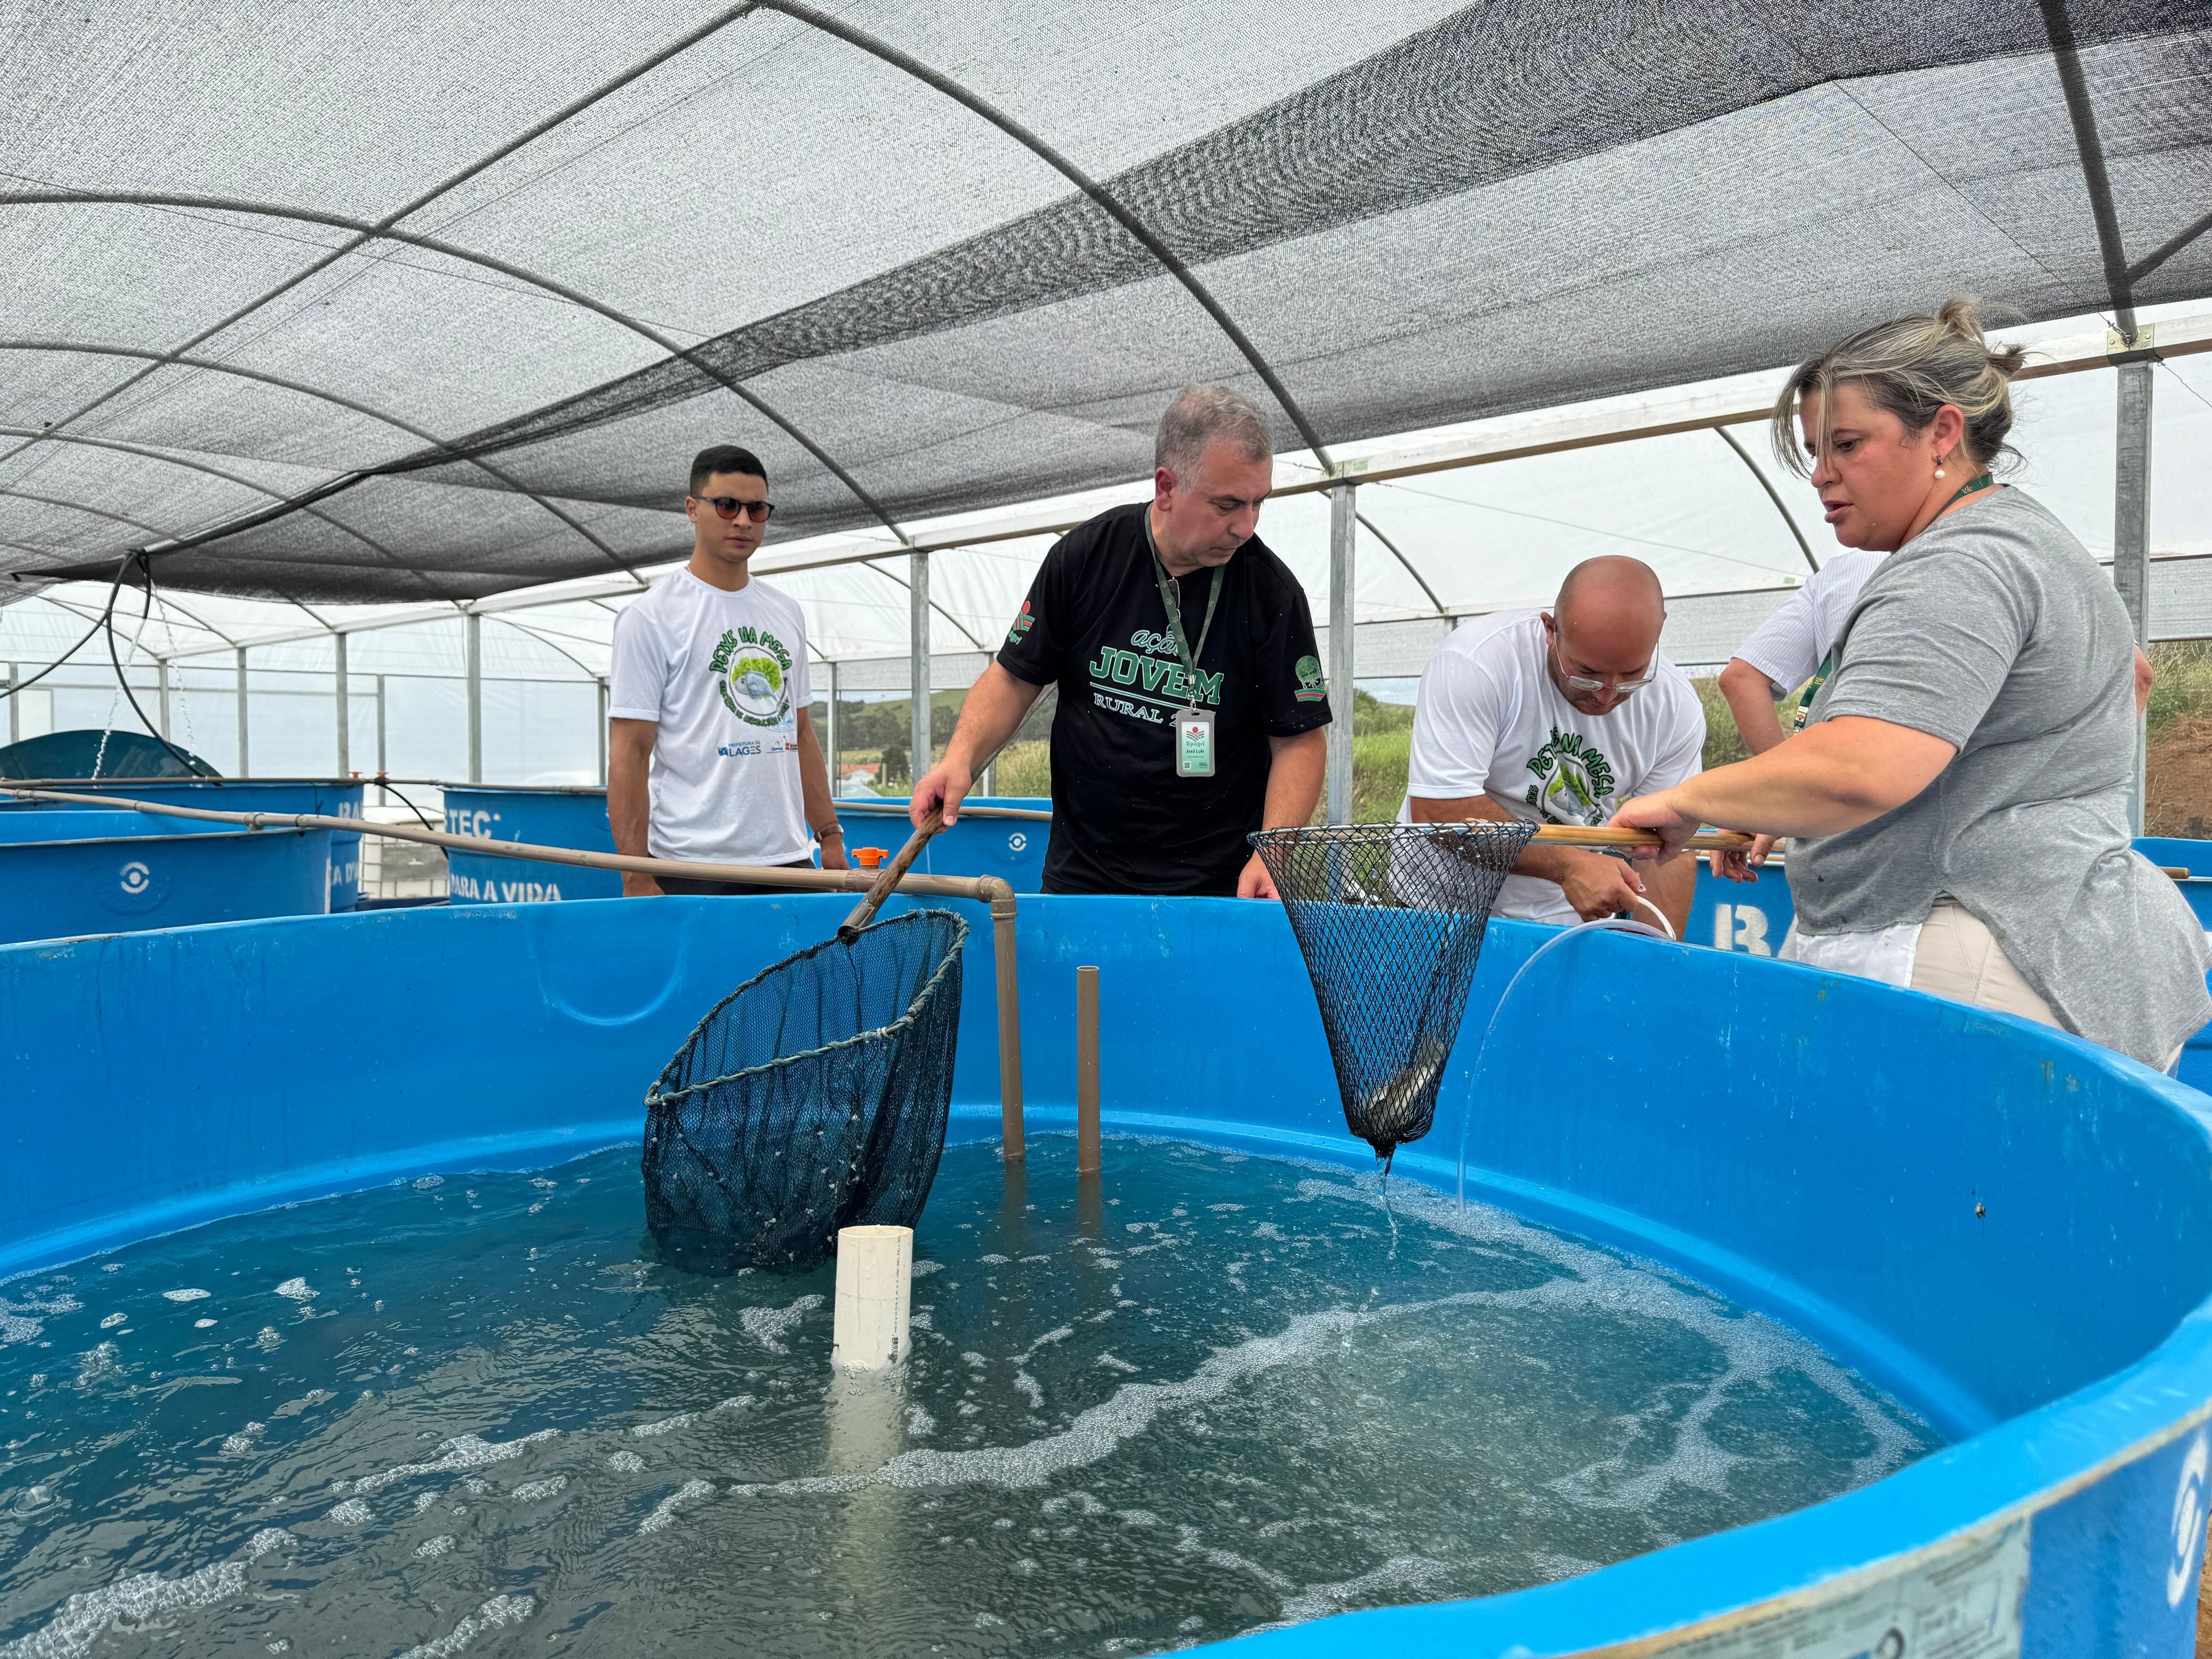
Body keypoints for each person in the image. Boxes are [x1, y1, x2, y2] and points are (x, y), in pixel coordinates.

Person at [1610, 300, 2208, 1068]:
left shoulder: (1956, 564)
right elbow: (2133, 677)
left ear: (1944, 433)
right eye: (1813, 452)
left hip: (1970, 944)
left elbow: (1865, 766)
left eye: (1848, 445)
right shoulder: (2034, 541)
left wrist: (1689, 798)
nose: (1822, 475)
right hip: (2076, 941)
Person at [910, 386, 1327, 897]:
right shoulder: (1085, 558)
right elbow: (1015, 678)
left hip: (1216, 884)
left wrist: (1274, 848)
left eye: (1258, 503)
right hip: (1084, 875)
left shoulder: (1271, 593)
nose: (1246, 525)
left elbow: (1299, 738)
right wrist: (960, 757)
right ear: (1166, 487)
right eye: (1227, 505)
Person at [1401, 556, 1705, 938]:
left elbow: (1663, 848)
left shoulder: (1675, 708)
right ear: (1550, 630)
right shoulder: (1477, 662)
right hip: (1436, 911)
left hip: (1563, 926)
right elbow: (1441, 808)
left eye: (1631, 676)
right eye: (1588, 674)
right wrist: (1569, 866)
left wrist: (1659, 956)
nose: (1607, 696)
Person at [606, 444, 846, 895]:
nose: (742, 521)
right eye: (727, 505)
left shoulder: (785, 611)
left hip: (788, 859)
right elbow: (630, 752)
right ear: (693, 509)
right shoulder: (651, 616)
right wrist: (635, 874)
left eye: (757, 509)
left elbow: (801, 733)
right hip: (693, 863)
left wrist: (829, 835)